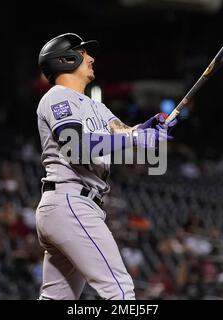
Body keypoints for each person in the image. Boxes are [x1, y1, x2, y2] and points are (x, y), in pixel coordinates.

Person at [35, 33, 177, 300]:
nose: (91, 58)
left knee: (57, 298)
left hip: (74, 205)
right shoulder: (57, 96)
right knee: (120, 291)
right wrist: (136, 137)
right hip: (70, 201)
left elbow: (123, 134)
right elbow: (75, 146)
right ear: (67, 59)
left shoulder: (96, 107)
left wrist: (150, 128)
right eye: (84, 52)